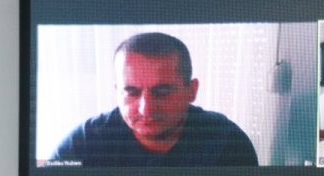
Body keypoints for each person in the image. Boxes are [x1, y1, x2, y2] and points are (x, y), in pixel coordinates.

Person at [51, 32, 258, 167]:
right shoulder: (83, 144)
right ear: (117, 92)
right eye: (132, 92)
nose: (146, 109)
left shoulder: (227, 143)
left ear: (191, 90)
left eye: (162, 92)